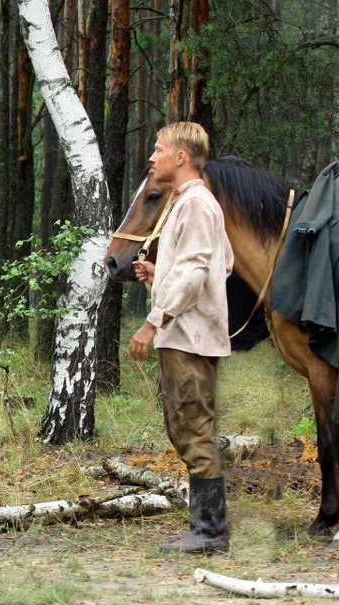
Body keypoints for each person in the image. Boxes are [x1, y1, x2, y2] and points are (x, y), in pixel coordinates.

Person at [128, 121, 234, 554]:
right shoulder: (189, 203)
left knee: (193, 429)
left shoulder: (195, 205)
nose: (152, 158)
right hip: (185, 336)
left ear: (181, 157)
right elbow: (217, 266)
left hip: (188, 338)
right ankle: (204, 528)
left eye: (159, 149)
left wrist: (153, 321)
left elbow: (196, 272)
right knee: (185, 426)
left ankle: (210, 532)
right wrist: (160, 274)